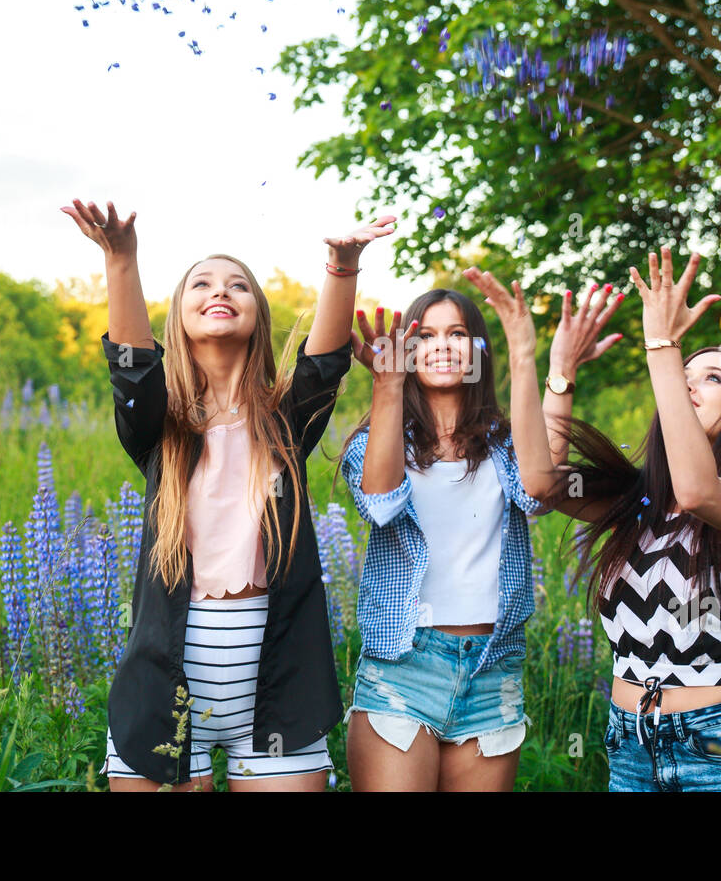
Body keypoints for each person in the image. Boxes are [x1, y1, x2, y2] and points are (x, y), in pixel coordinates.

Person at [61, 197, 390, 791]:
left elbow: (324, 365)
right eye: (202, 285)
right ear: (179, 317)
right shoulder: (159, 427)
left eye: (238, 285)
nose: (221, 290)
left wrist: (343, 267)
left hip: (277, 689)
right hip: (166, 688)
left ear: (258, 316)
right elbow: (132, 370)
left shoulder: (286, 421)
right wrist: (121, 259)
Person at [490, 246, 721, 792]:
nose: (688, 383)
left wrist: (665, 346)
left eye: (713, 379)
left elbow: (700, 490)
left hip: (720, 749)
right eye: (687, 374)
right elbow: (537, 483)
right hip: (629, 745)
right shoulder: (639, 505)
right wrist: (549, 367)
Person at [337, 275, 556, 791]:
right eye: (425, 336)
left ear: (479, 349)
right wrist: (387, 385)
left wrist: (527, 354)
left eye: (457, 334)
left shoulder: (506, 443)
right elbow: (381, 503)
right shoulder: (374, 443)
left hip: (491, 669)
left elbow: (539, 495)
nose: (441, 347)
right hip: (404, 666)